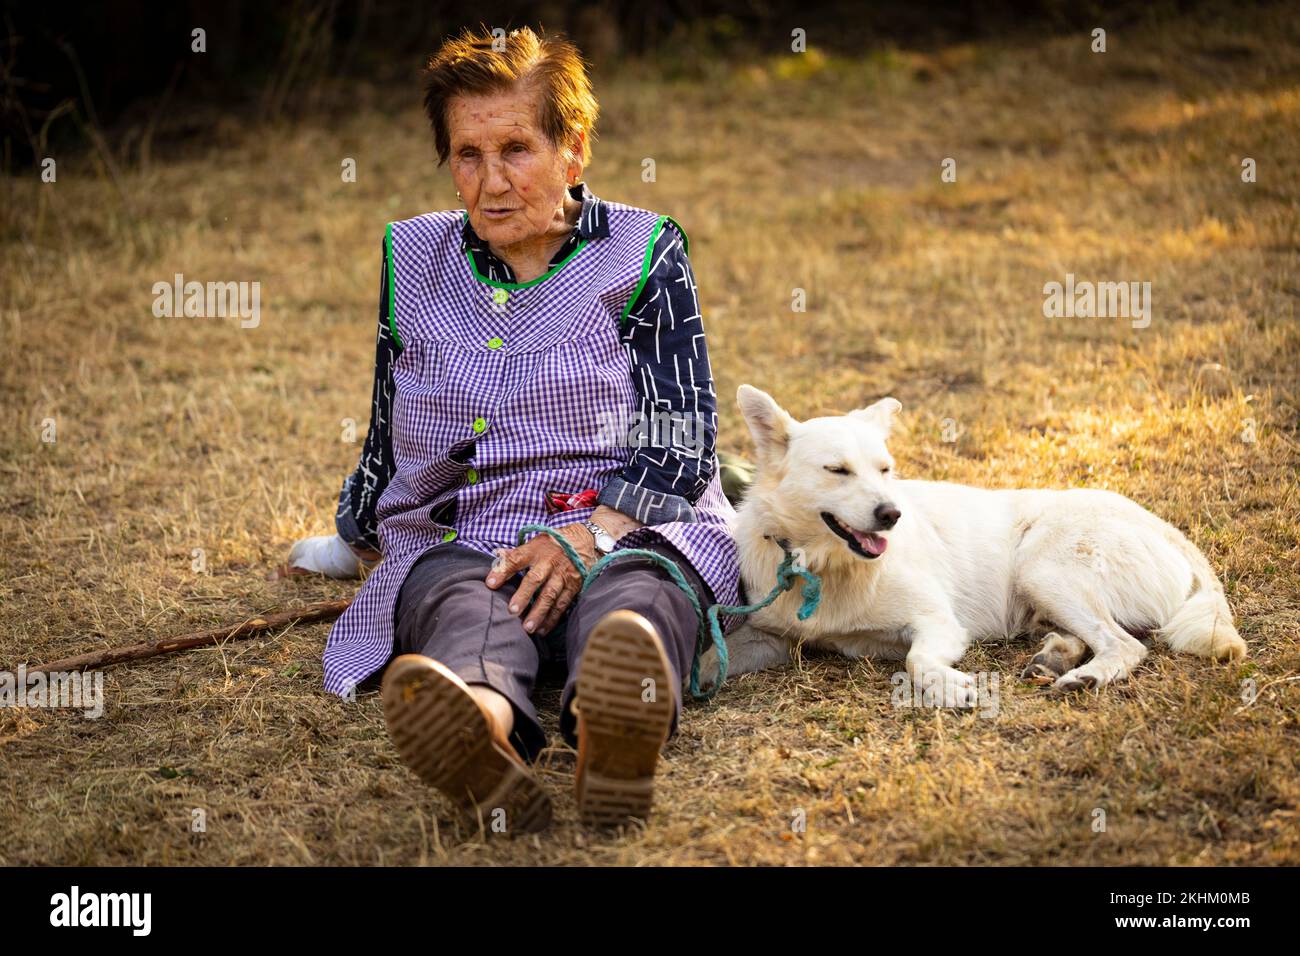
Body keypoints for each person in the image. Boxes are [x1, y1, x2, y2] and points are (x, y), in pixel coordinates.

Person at [290, 26, 741, 832]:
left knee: (634, 602)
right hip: (478, 535)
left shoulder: (644, 252)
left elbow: (679, 433)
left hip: (629, 519)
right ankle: (482, 732)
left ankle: (614, 734)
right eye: (468, 154)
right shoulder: (413, 257)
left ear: (573, 151)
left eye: (516, 149)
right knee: (463, 603)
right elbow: (389, 428)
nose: (491, 181)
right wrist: (358, 529)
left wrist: (585, 538)